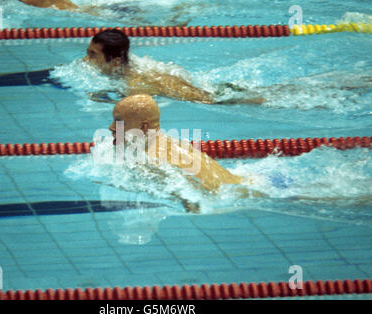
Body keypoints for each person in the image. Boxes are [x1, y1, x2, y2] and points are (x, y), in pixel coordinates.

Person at [108, 94, 247, 212]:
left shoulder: (154, 159)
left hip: (238, 197)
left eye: (120, 122)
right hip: (245, 182)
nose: (111, 127)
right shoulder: (169, 143)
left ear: (143, 127)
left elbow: (194, 200)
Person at [85, 29, 266, 105]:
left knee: (261, 99)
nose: (86, 60)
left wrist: (101, 98)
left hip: (218, 101)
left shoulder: (134, 85)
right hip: (213, 91)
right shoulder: (133, 68)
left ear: (116, 61)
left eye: (93, 55)